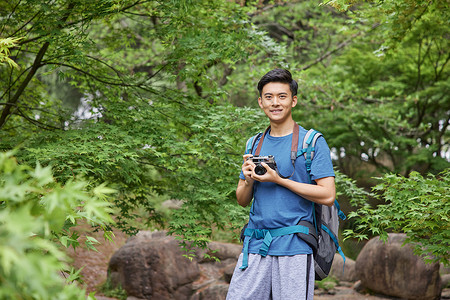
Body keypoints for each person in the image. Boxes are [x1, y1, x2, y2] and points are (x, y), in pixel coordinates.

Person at [226, 68, 336, 300]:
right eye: (269, 97)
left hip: (294, 246)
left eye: (282, 96)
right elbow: (242, 200)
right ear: (260, 102)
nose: (275, 103)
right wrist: (247, 181)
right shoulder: (253, 143)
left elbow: (327, 195)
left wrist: (280, 180)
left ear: (293, 101)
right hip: (254, 245)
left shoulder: (312, 142)